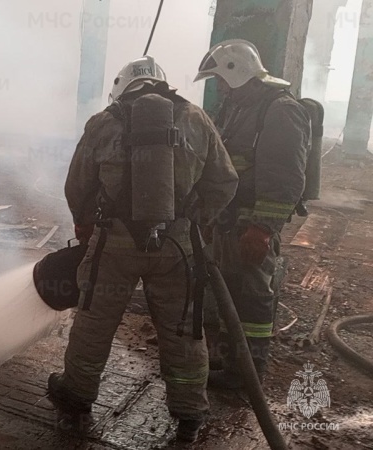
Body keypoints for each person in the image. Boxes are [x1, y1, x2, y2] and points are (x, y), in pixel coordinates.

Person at [49, 55, 238, 443]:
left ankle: (77, 397)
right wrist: (195, 219)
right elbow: (224, 182)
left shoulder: (104, 122)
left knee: (94, 320)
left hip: (114, 244)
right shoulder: (196, 118)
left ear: (121, 88)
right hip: (178, 248)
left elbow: (77, 185)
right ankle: (189, 413)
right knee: (184, 328)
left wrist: (84, 222)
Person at [193, 39, 310, 388]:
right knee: (230, 292)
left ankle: (249, 372)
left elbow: (285, 178)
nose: (220, 88)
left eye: (221, 80)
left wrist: (262, 227)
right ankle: (232, 362)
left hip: (252, 224)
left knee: (253, 297)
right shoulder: (239, 106)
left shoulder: (280, 111)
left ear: (238, 74)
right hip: (230, 220)